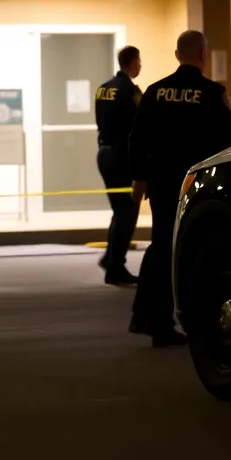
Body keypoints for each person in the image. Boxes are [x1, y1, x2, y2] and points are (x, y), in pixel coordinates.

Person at [128, 30, 231, 347]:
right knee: (192, 248)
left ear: (177, 55)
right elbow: (228, 142)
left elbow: (136, 137)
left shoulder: (155, 91)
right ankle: (187, 319)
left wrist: (140, 177)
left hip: (161, 182)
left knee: (161, 244)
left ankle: (149, 316)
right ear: (204, 55)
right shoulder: (211, 93)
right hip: (197, 184)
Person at [94, 45, 143, 286]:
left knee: (119, 209)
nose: (140, 65)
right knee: (128, 211)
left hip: (104, 153)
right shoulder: (129, 91)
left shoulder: (103, 89)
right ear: (133, 63)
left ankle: (110, 257)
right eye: (139, 61)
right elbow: (141, 125)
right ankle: (116, 267)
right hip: (122, 156)